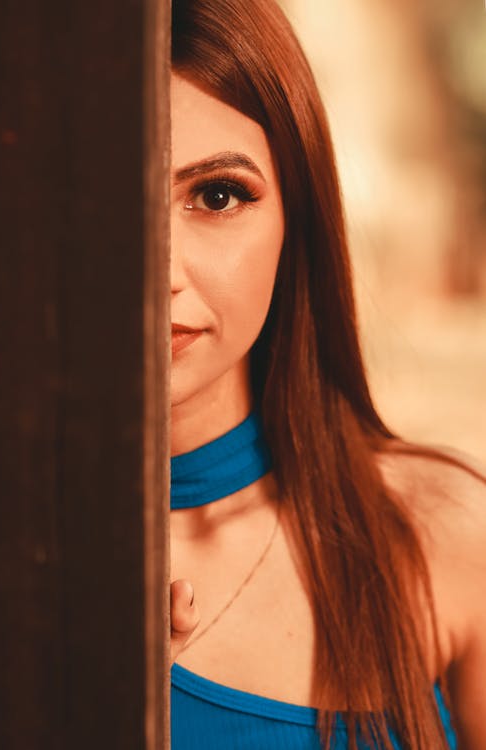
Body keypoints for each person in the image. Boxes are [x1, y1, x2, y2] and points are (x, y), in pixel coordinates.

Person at [167, 0, 486, 747]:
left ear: (296, 220)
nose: (160, 271)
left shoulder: (439, 536)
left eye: (216, 195)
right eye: (106, 202)